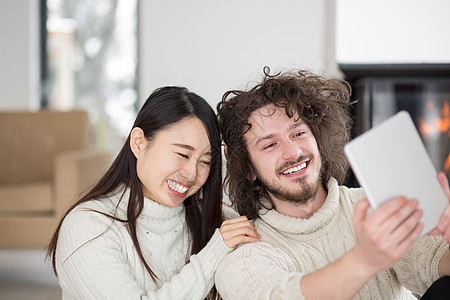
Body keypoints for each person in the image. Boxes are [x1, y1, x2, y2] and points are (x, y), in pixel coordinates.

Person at [214, 67, 450, 299]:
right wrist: (364, 259)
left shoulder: (375, 205)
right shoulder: (245, 254)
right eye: (269, 145)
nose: (293, 152)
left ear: (318, 139)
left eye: (298, 134)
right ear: (249, 169)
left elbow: (433, 263)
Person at [46, 86, 260, 299]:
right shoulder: (88, 226)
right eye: (183, 154)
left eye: (205, 162)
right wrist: (214, 252)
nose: (192, 174)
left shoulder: (215, 220)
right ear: (139, 143)